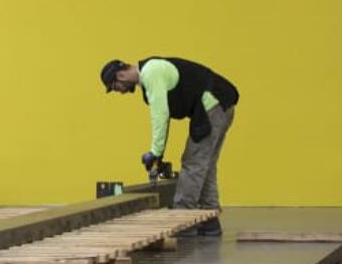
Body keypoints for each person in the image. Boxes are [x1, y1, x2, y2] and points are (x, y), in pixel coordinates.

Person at [100, 56, 239, 235]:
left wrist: (155, 153)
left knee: (193, 163)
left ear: (120, 76)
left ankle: (182, 221)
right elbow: (164, 118)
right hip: (221, 104)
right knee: (205, 164)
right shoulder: (151, 74)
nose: (118, 91)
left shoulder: (151, 73)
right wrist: (159, 154)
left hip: (213, 105)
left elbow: (160, 115)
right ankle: (210, 220)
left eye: (114, 87)